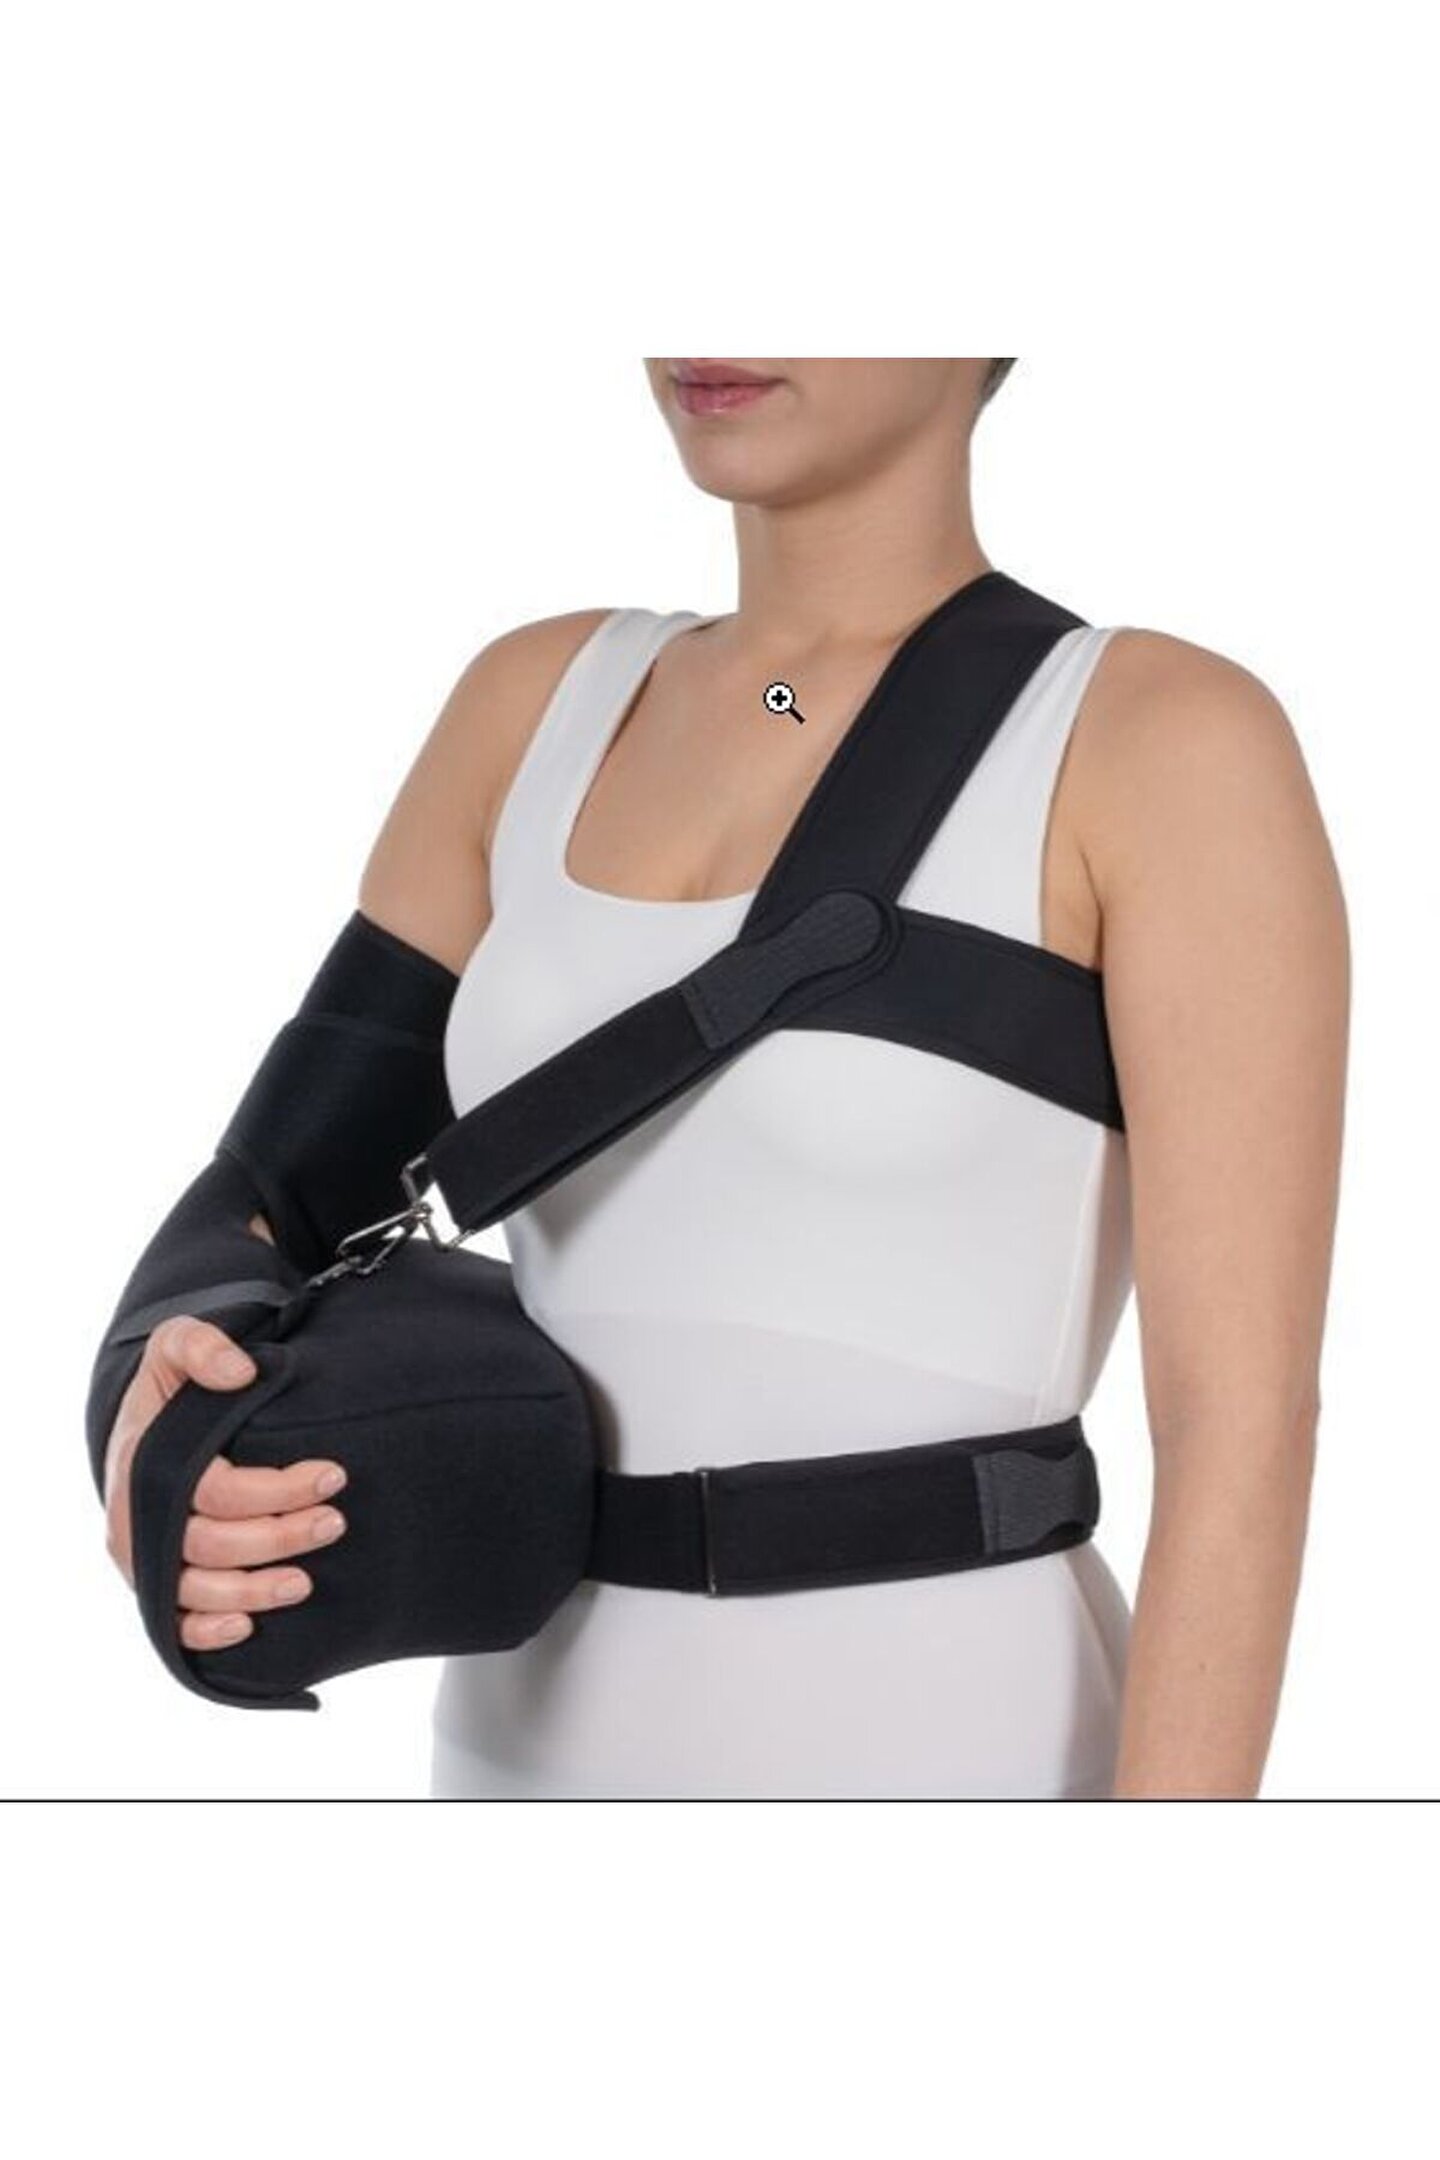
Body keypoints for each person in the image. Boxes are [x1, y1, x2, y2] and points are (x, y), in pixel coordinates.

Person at [101, 359, 1349, 1798]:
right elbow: (274, 1198)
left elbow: (1240, 1430)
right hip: (513, 1755)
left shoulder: (1158, 740)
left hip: (955, 1751)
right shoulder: (534, 704)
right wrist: (159, 1423)